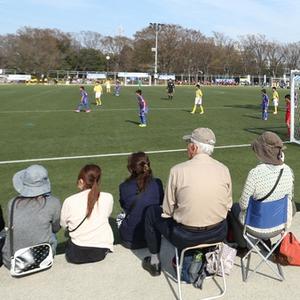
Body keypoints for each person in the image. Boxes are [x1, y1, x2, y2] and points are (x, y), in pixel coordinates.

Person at [142, 128, 232, 276]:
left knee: (152, 212)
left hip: (187, 236)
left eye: (189, 143)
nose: (187, 147)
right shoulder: (223, 169)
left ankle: (154, 261)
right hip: (218, 233)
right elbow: (227, 205)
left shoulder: (178, 170)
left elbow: (167, 211)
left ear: (194, 147)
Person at [228, 132, 295, 249]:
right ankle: (264, 240)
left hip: (256, 225)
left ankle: (243, 245)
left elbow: (244, 205)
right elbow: (289, 198)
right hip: (279, 225)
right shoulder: (288, 171)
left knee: (235, 208)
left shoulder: (255, 173)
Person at [1, 165, 61, 269]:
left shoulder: (12, 203)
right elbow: (56, 228)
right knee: (51, 233)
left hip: (12, 261)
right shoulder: (53, 202)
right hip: (41, 259)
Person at [60, 164, 114, 264]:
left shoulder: (69, 201)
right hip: (100, 252)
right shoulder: (108, 197)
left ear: (81, 181)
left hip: (76, 254)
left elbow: (63, 225)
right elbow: (106, 215)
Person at [119, 152, 164, 249]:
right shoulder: (157, 183)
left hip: (130, 240)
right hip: (153, 238)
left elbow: (124, 206)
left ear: (131, 169)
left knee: (120, 216)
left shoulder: (124, 186)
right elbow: (161, 202)